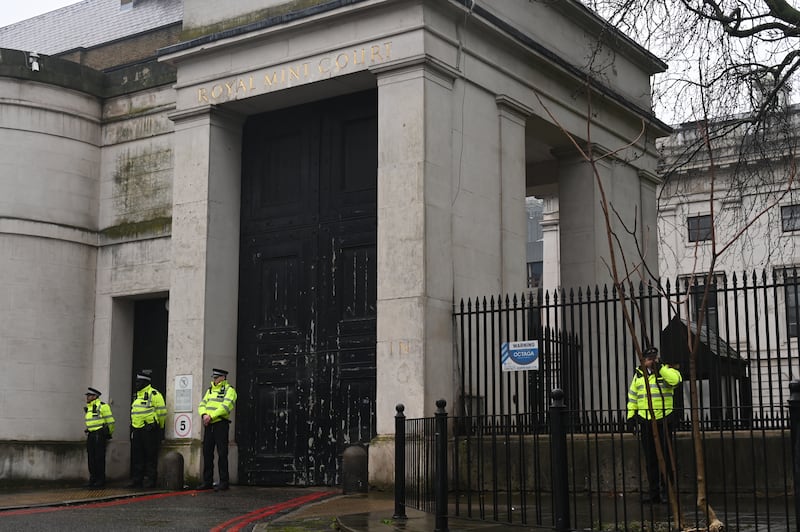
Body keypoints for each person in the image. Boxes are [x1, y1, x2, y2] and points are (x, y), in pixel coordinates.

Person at [626, 346, 682, 504]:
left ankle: (667, 492)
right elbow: (633, 398)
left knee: (666, 458)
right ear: (643, 360)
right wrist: (631, 417)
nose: (651, 361)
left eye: (654, 358)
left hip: (664, 419)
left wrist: (661, 368)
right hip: (645, 421)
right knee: (650, 459)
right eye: (649, 359)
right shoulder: (638, 376)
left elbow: (676, 380)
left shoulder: (665, 371)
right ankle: (654, 493)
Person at [197, 368, 238, 491]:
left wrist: (211, 416)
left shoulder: (230, 390)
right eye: (214, 377)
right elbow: (202, 404)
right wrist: (204, 415)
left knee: (222, 453)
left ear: (223, 378)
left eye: (216, 377)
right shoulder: (209, 390)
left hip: (221, 424)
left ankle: (223, 481)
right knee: (207, 453)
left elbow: (226, 407)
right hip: (209, 425)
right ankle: (207, 481)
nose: (214, 379)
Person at [128, 369, 167, 489]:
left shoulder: (154, 394)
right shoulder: (137, 396)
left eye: (139, 382)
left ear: (145, 382)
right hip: (137, 430)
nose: (136, 384)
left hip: (149, 430)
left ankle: (151, 481)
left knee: (150, 456)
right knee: (137, 456)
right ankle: (137, 480)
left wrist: (159, 428)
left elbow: (162, 413)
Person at [83, 387, 115, 488]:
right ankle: (93, 479)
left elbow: (110, 421)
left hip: (99, 434)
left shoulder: (103, 406)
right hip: (91, 435)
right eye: (87, 396)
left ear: (95, 396)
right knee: (91, 458)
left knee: (99, 458)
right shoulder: (89, 407)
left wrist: (109, 433)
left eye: (89, 396)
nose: (87, 397)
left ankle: (100, 480)